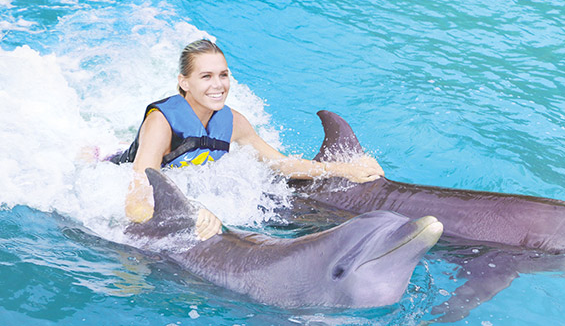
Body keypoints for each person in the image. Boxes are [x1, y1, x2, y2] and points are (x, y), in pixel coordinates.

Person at [112, 39, 383, 240]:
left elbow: (279, 163)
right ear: (184, 82)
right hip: (114, 171)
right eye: (206, 76)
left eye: (223, 75)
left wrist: (345, 169)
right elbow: (136, 199)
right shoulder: (162, 122)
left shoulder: (232, 122)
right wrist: (188, 215)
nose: (218, 85)